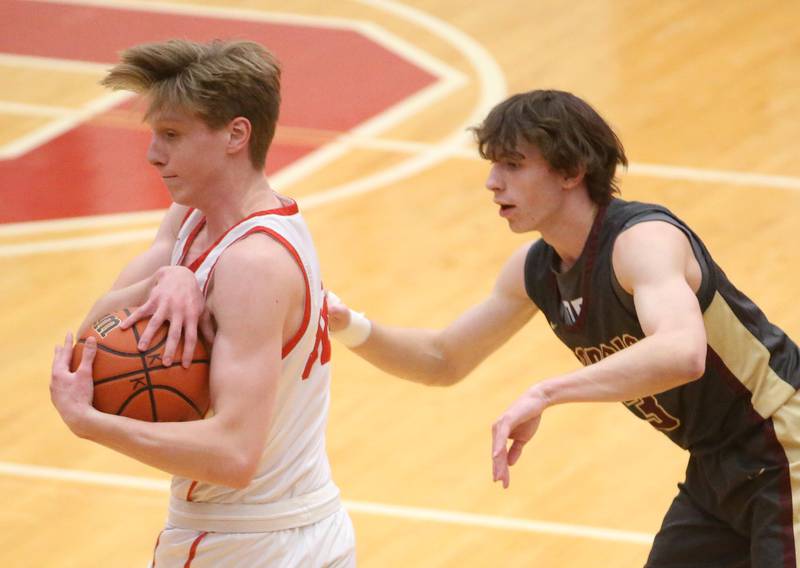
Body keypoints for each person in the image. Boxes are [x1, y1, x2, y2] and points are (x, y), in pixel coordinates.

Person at [326, 90, 800, 567]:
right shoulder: (537, 270)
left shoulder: (643, 242)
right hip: (717, 465)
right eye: (493, 165)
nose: (492, 183)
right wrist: (349, 326)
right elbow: (443, 358)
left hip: (785, 440)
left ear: (572, 172)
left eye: (512, 165)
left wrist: (548, 392)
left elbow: (681, 351)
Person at [49, 39, 355, 567]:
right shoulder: (193, 218)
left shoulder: (253, 264)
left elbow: (234, 455)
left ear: (236, 134)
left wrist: (91, 424)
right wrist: (167, 279)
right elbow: (94, 340)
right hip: (277, 530)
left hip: (251, 543)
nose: (152, 153)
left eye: (172, 135)